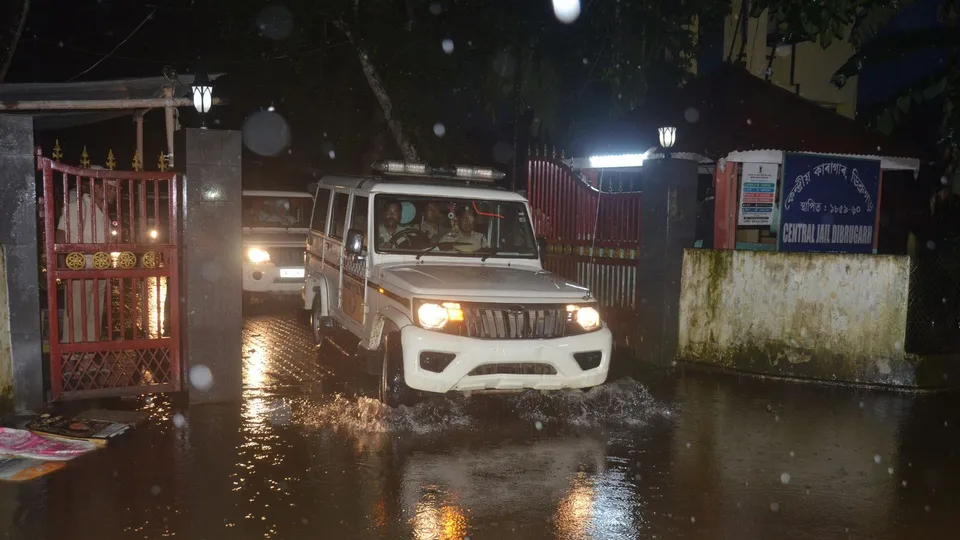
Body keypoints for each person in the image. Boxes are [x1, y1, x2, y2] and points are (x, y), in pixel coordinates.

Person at [57, 172, 117, 348]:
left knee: (94, 316)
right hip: (79, 270)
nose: (114, 192)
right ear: (96, 188)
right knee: (75, 316)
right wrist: (64, 270)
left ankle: (88, 357)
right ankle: (71, 357)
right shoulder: (78, 208)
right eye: (110, 188)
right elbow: (60, 236)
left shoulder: (103, 212)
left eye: (114, 189)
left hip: (99, 270)